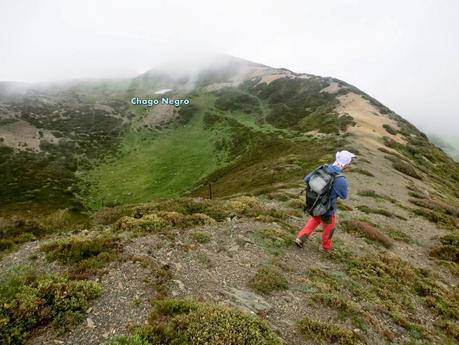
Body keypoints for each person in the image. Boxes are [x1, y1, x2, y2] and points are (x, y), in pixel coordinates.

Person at [295, 150, 356, 252]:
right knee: (329, 227)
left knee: (315, 219)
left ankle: (300, 238)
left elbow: (307, 179)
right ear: (346, 164)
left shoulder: (322, 168)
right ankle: (325, 247)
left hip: (313, 203)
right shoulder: (341, 180)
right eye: (349, 162)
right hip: (327, 209)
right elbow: (344, 196)